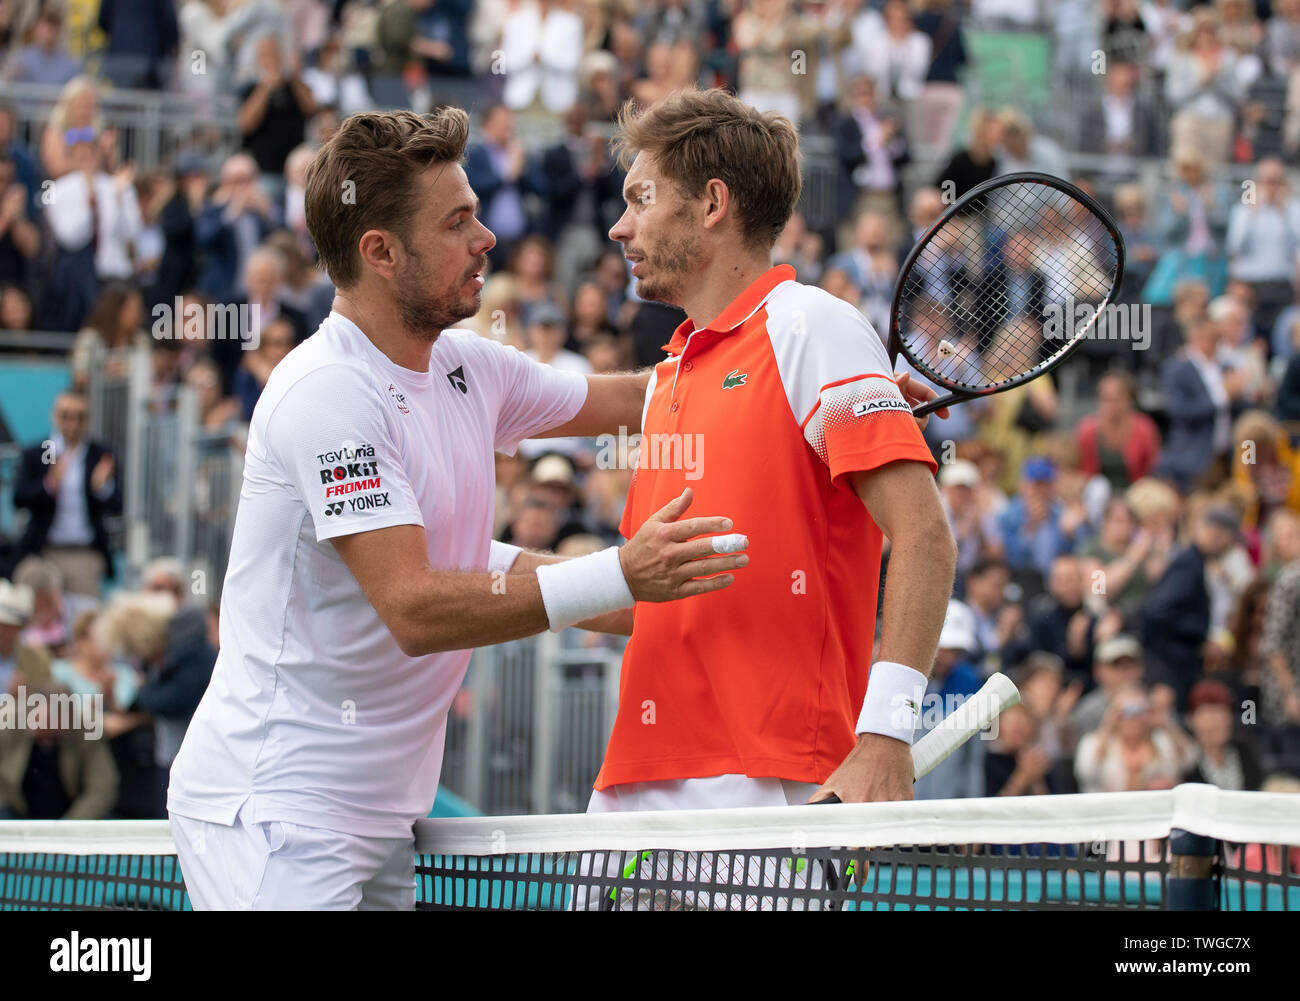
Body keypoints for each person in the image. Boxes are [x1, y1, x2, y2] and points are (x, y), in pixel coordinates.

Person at [166, 108, 744, 911]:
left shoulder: (467, 366)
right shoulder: (327, 393)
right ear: (380, 252)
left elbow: (645, 399)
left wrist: (822, 381)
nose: (487, 239)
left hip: (380, 820)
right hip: (276, 814)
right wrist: (622, 573)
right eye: (458, 221)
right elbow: (415, 606)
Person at [588, 87, 953, 835]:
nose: (620, 226)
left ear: (712, 203)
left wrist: (886, 732)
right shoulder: (668, 376)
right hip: (631, 789)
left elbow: (924, 536)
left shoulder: (811, 324)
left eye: (640, 199)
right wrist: (469, 568)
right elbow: (651, 597)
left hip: (763, 785)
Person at [13, 392, 121, 598]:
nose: (72, 423)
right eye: (65, 416)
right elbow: (20, 498)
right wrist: (49, 485)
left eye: (79, 417)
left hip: (84, 554)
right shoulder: (40, 452)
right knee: (38, 623)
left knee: (82, 619)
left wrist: (102, 487)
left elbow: (118, 504)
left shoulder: (100, 454)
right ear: (54, 416)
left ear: (88, 419)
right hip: (43, 552)